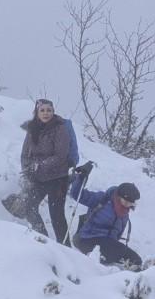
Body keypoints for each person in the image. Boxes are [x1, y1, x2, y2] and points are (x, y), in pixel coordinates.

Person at [68, 164, 142, 269]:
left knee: (136, 260)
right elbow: (76, 194)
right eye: (125, 201)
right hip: (87, 239)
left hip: (108, 245)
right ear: (119, 196)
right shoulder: (103, 199)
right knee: (114, 248)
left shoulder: (124, 214)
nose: (127, 205)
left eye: (130, 203)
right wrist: (81, 177)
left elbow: (116, 236)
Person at [20, 99, 72, 242]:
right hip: (39, 177)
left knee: (56, 216)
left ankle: (66, 249)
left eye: (49, 110)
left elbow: (61, 156)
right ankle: (45, 241)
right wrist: (27, 170)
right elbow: (25, 154)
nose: (46, 113)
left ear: (53, 111)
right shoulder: (32, 129)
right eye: (42, 110)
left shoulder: (60, 128)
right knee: (29, 208)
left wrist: (40, 165)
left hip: (58, 178)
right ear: (37, 113)